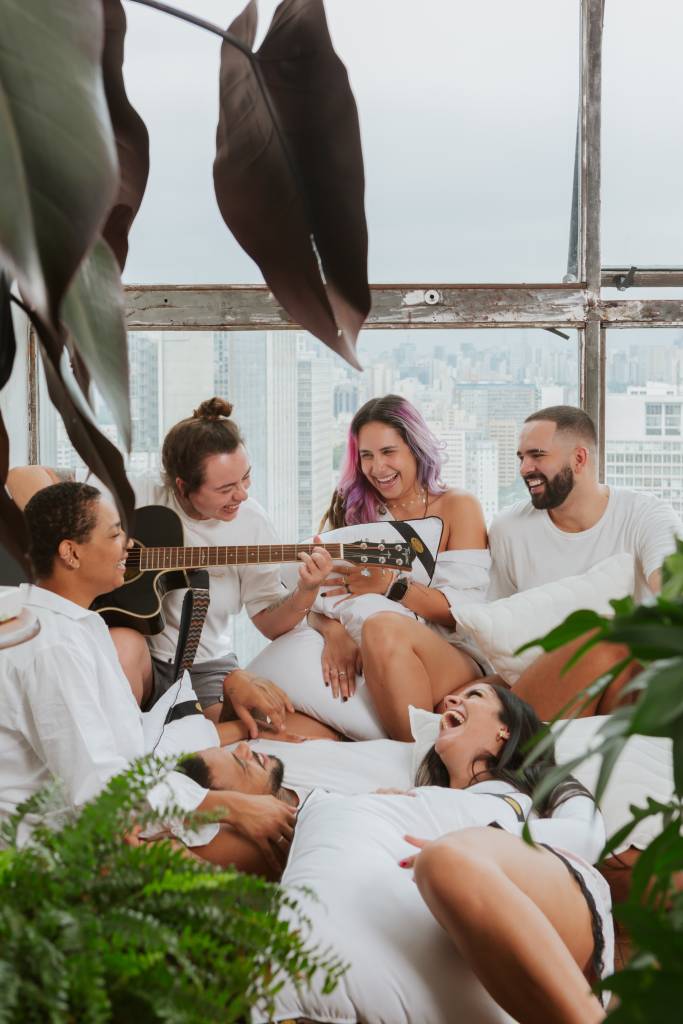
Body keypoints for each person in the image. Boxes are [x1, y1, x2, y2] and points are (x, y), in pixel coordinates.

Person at [0, 481, 296, 872]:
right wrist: (233, 807)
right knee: (269, 845)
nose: (128, 544)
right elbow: (98, 785)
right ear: (71, 553)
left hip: (106, 817)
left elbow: (121, 752)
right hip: (42, 851)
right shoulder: (52, 647)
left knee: (283, 814)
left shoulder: (78, 624)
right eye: (114, 533)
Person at [7, 398, 335, 731]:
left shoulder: (252, 523)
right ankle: (127, 757)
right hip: (139, 654)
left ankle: (166, 742)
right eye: (225, 488)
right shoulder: (137, 492)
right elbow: (22, 477)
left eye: (245, 480)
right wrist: (82, 546)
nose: (242, 496)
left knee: (270, 731)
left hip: (206, 665)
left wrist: (306, 590)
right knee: (122, 648)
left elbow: (269, 624)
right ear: (182, 486)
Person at [397, 682, 610, 1024]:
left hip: (552, 895)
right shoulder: (416, 802)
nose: (451, 700)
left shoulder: (540, 787)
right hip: (460, 918)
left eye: (475, 695)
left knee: (445, 862)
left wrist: (481, 839)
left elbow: (587, 837)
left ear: (504, 730)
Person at [299, 394, 491, 739]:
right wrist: (333, 631)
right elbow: (319, 597)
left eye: (389, 453)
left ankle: (417, 762)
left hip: (449, 654)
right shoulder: (353, 509)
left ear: (415, 449)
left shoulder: (457, 507)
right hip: (378, 653)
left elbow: (460, 613)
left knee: (381, 627)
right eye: (366, 456)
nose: (377, 468)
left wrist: (390, 584)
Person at [487, 405, 681, 718]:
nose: (524, 468)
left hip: (624, 680)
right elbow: (500, 630)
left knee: (608, 639)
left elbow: (672, 590)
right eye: (521, 457)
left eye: (537, 455)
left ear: (579, 459)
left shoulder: (646, 515)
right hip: (540, 677)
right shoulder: (508, 528)